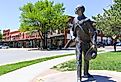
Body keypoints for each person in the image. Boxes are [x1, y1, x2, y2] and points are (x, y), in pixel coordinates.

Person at [72, 5, 97, 82]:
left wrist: (93, 43)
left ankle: (86, 73)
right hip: (78, 42)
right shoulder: (74, 20)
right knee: (78, 59)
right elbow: (72, 30)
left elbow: (93, 32)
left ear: (80, 10)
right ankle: (79, 77)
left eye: (77, 9)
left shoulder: (87, 20)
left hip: (86, 42)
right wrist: (73, 36)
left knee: (87, 58)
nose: (75, 9)